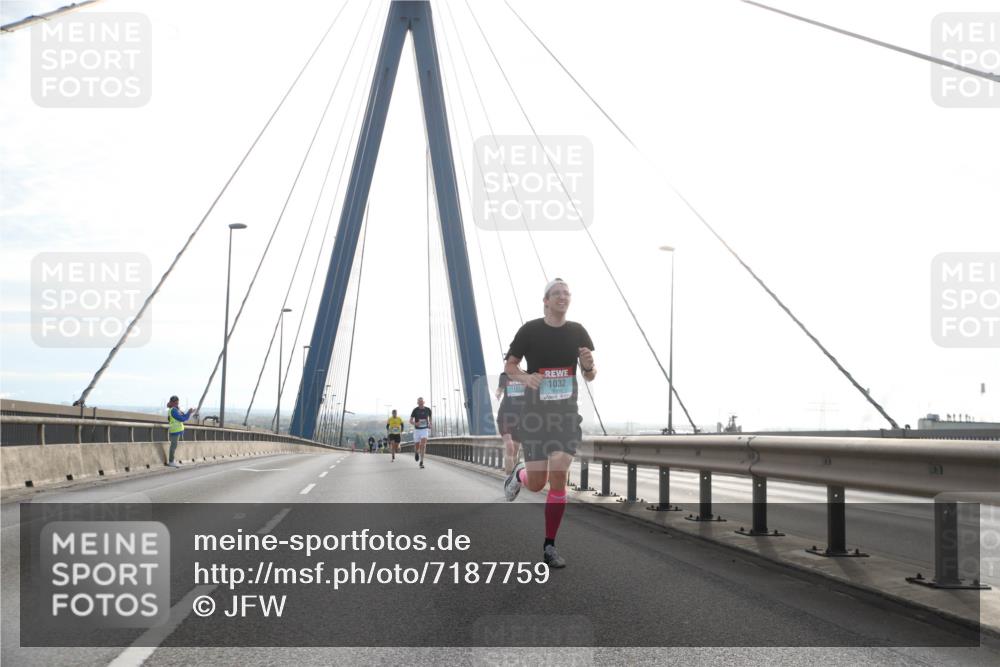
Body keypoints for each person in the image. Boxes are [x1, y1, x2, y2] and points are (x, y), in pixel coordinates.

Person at [502, 278, 596, 568]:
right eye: (556, 293)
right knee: (537, 484)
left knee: (559, 474)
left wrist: (589, 365)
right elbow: (510, 366)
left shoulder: (578, 332)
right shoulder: (530, 330)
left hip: (566, 417)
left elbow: (590, 376)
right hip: (535, 419)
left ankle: (550, 546)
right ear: (545, 300)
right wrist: (526, 377)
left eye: (566, 293)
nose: (562, 297)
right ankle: (519, 475)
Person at [496, 360, 526, 476]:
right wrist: (497, 394)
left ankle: (514, 477)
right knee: (509, 447)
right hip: (505, 416)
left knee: (515, 450)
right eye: (506, 363)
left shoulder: (526, 375)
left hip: (520, 419)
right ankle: (509, 479)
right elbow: (500, 389)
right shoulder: (504, 376)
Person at [166, 396, 196, 468]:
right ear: (172, 403)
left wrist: (189, 412)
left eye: (177, 402)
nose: (177, 404)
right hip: (174, 431)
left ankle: (172, 461)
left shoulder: (176, 409)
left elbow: (184, 416)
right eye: (176, 403)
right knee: (173, 446)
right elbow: (182, 419)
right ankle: (171, 461)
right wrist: (189, 413)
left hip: (177, 431)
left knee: (174, 446)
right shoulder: (173, 410)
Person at [409, 397, 432, 469]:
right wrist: (416, 423)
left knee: (423, 445)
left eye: (422, 402)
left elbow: (430, 418)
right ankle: (416, 452)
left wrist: (430, 424)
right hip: (417, 430)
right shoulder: (415, 410)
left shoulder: (428, 410)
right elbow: (410, 421)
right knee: (417, 446)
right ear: (417, 403)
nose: (421, 403)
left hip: (424, 430)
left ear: (424, 402)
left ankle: (421, 462)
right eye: (419, 402)